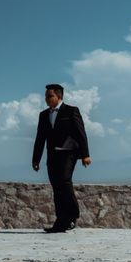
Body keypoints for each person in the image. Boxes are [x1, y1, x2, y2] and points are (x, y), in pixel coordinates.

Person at [32, 84, 91, 233]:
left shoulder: (71, 111)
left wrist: (85, 155)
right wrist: (36, 159)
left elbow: (80, 133)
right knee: (56, 187)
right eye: (45, 96)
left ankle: (72, 216)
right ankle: (61, 221)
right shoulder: (43, 115)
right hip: (52, 156)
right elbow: (40, 138)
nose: (46, 99)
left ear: (59, 97)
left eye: (49, 96)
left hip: (68, 154)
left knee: (64, 181)